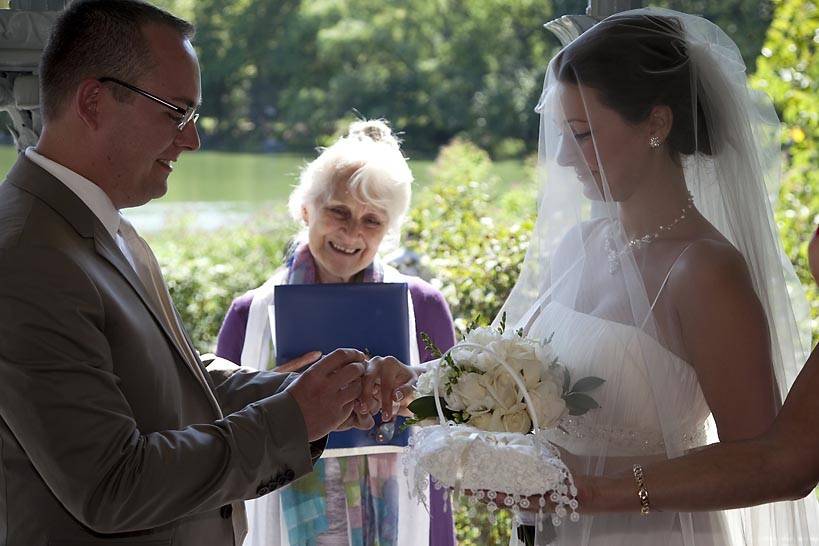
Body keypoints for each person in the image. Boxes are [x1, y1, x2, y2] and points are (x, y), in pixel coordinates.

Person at [0, 1, 376, 544]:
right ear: (93, 101)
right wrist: (292, 418)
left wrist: (319, 393)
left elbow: (169, 377)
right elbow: (112, 485)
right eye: (175, 112)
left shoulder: (91, 219)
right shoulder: (26, 254)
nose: (192, 139)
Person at [486, 7, 819, 545]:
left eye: (584, 133)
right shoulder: (578, 247)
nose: (567, 158)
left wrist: (605, 488)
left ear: (656, 125)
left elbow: (762, 460)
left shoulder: (706, 271)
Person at [216, 119, 458, 546]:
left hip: (401, 517)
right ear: (306, 209)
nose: (351, 233)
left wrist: (407, 395)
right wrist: (270, 392)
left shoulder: (425, 307)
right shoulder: (249, 315)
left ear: (390, 229)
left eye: (372, 220)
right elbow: (221, 443)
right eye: (338, 212)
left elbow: (450, 433)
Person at [571, 225, 819, 516]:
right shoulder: (584, 243)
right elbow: (786, 456)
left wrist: (597, 493)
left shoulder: (704, 268)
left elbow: (785, 462)